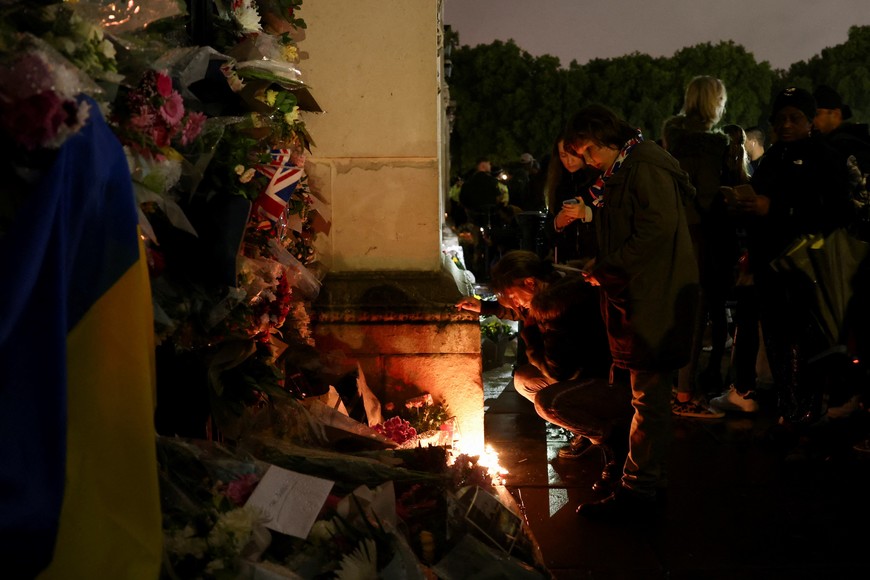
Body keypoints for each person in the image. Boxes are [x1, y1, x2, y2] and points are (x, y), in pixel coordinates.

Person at [561, 104, 699, 520]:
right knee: (645, 395)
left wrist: (608, 268)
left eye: (587, 151)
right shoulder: (629, 166)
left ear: (605, 139)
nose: (587, 161)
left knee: (649, 397)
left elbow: (654, 231)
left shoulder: (645, 167)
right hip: (641, 294)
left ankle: (640, 488)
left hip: (654, 298)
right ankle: (645, 479)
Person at [719, 87, 854, 432]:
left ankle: (806, 420)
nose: (786, 125)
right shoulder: (774, 158)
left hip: (808, 271)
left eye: (795, 118)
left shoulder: (826, 158)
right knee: (779, 345)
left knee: (805, 345)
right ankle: (792, 412)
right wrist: (744, 208)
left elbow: (834, 212)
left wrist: (774, 208)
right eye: (780, 119)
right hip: (770, 269)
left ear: (809, 121)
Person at [454, 250, 632, 489]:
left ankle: (614, 442)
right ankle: (587, 429)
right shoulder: (551, 288)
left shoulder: (558, 306)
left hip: (610, 381)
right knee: (524, 378)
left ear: (530, 282)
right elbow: (519, 309)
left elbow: (556, 371)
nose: (515, 305)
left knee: (548, 403)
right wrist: (485, 307)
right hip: (589, 373)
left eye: (512, 296)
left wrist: (529, 333)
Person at [661, 75, 734, 418]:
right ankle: (687, 394)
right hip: (702, 236)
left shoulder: (671, 140)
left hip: (675, 232)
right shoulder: (713, 147)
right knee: (699, 309)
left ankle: (676, 387)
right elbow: (708, 195)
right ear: (714, 103)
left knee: (679, 311)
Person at [812, 84, 870, 240]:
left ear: (836, 114)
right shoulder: (858, 142)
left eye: (817, 114)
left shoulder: (840, 148)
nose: (813, 120)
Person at [542, 137, 600, 265]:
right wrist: (558, 223)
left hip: (594, 259)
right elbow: (548, 227)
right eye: (563, 155)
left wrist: (585, 213)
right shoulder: (558, 184)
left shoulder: (599, 181)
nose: (569, 161)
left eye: (573, 154)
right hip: (566, 261)